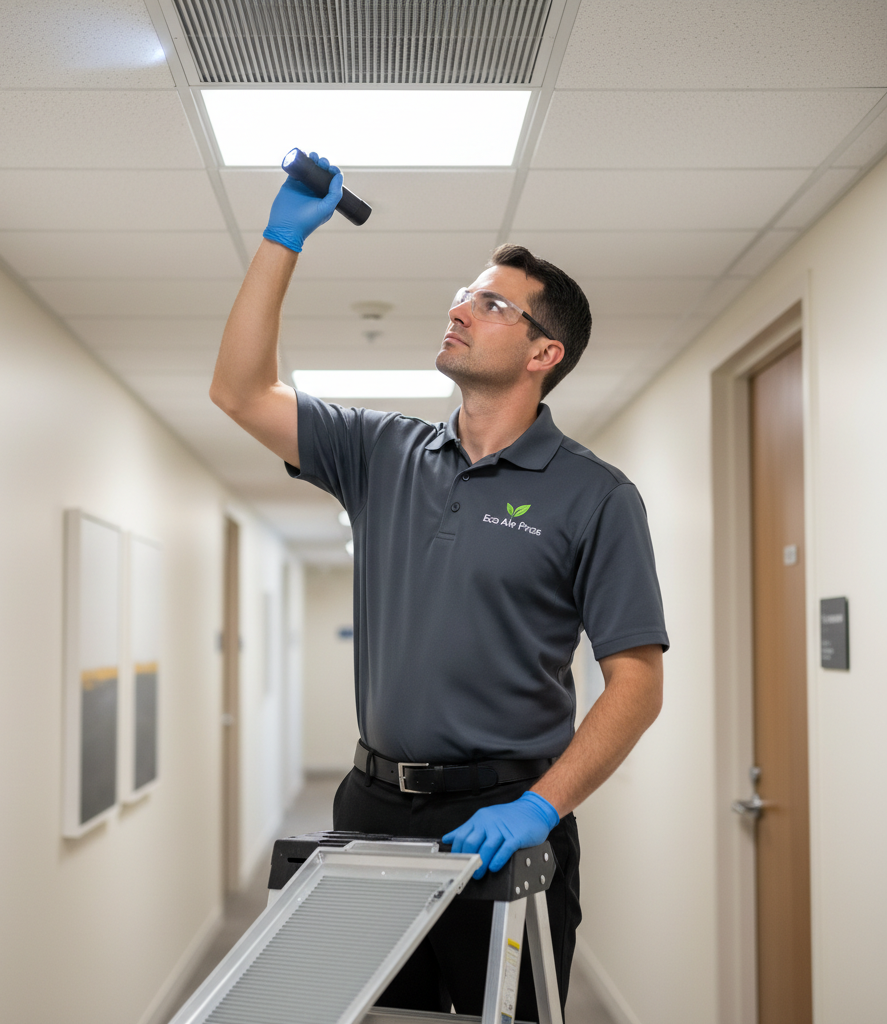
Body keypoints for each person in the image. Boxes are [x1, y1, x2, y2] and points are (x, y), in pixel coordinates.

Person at [210, 154, 668, 1019]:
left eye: (493, 303)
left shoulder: (596, 495)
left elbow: (637, 685)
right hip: (370, 809)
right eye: (465, 293)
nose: (460, 309)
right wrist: (279, 242)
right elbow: (238, 390)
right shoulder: (383, 454)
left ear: (544, 352)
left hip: (505, 819)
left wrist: (541, 807)